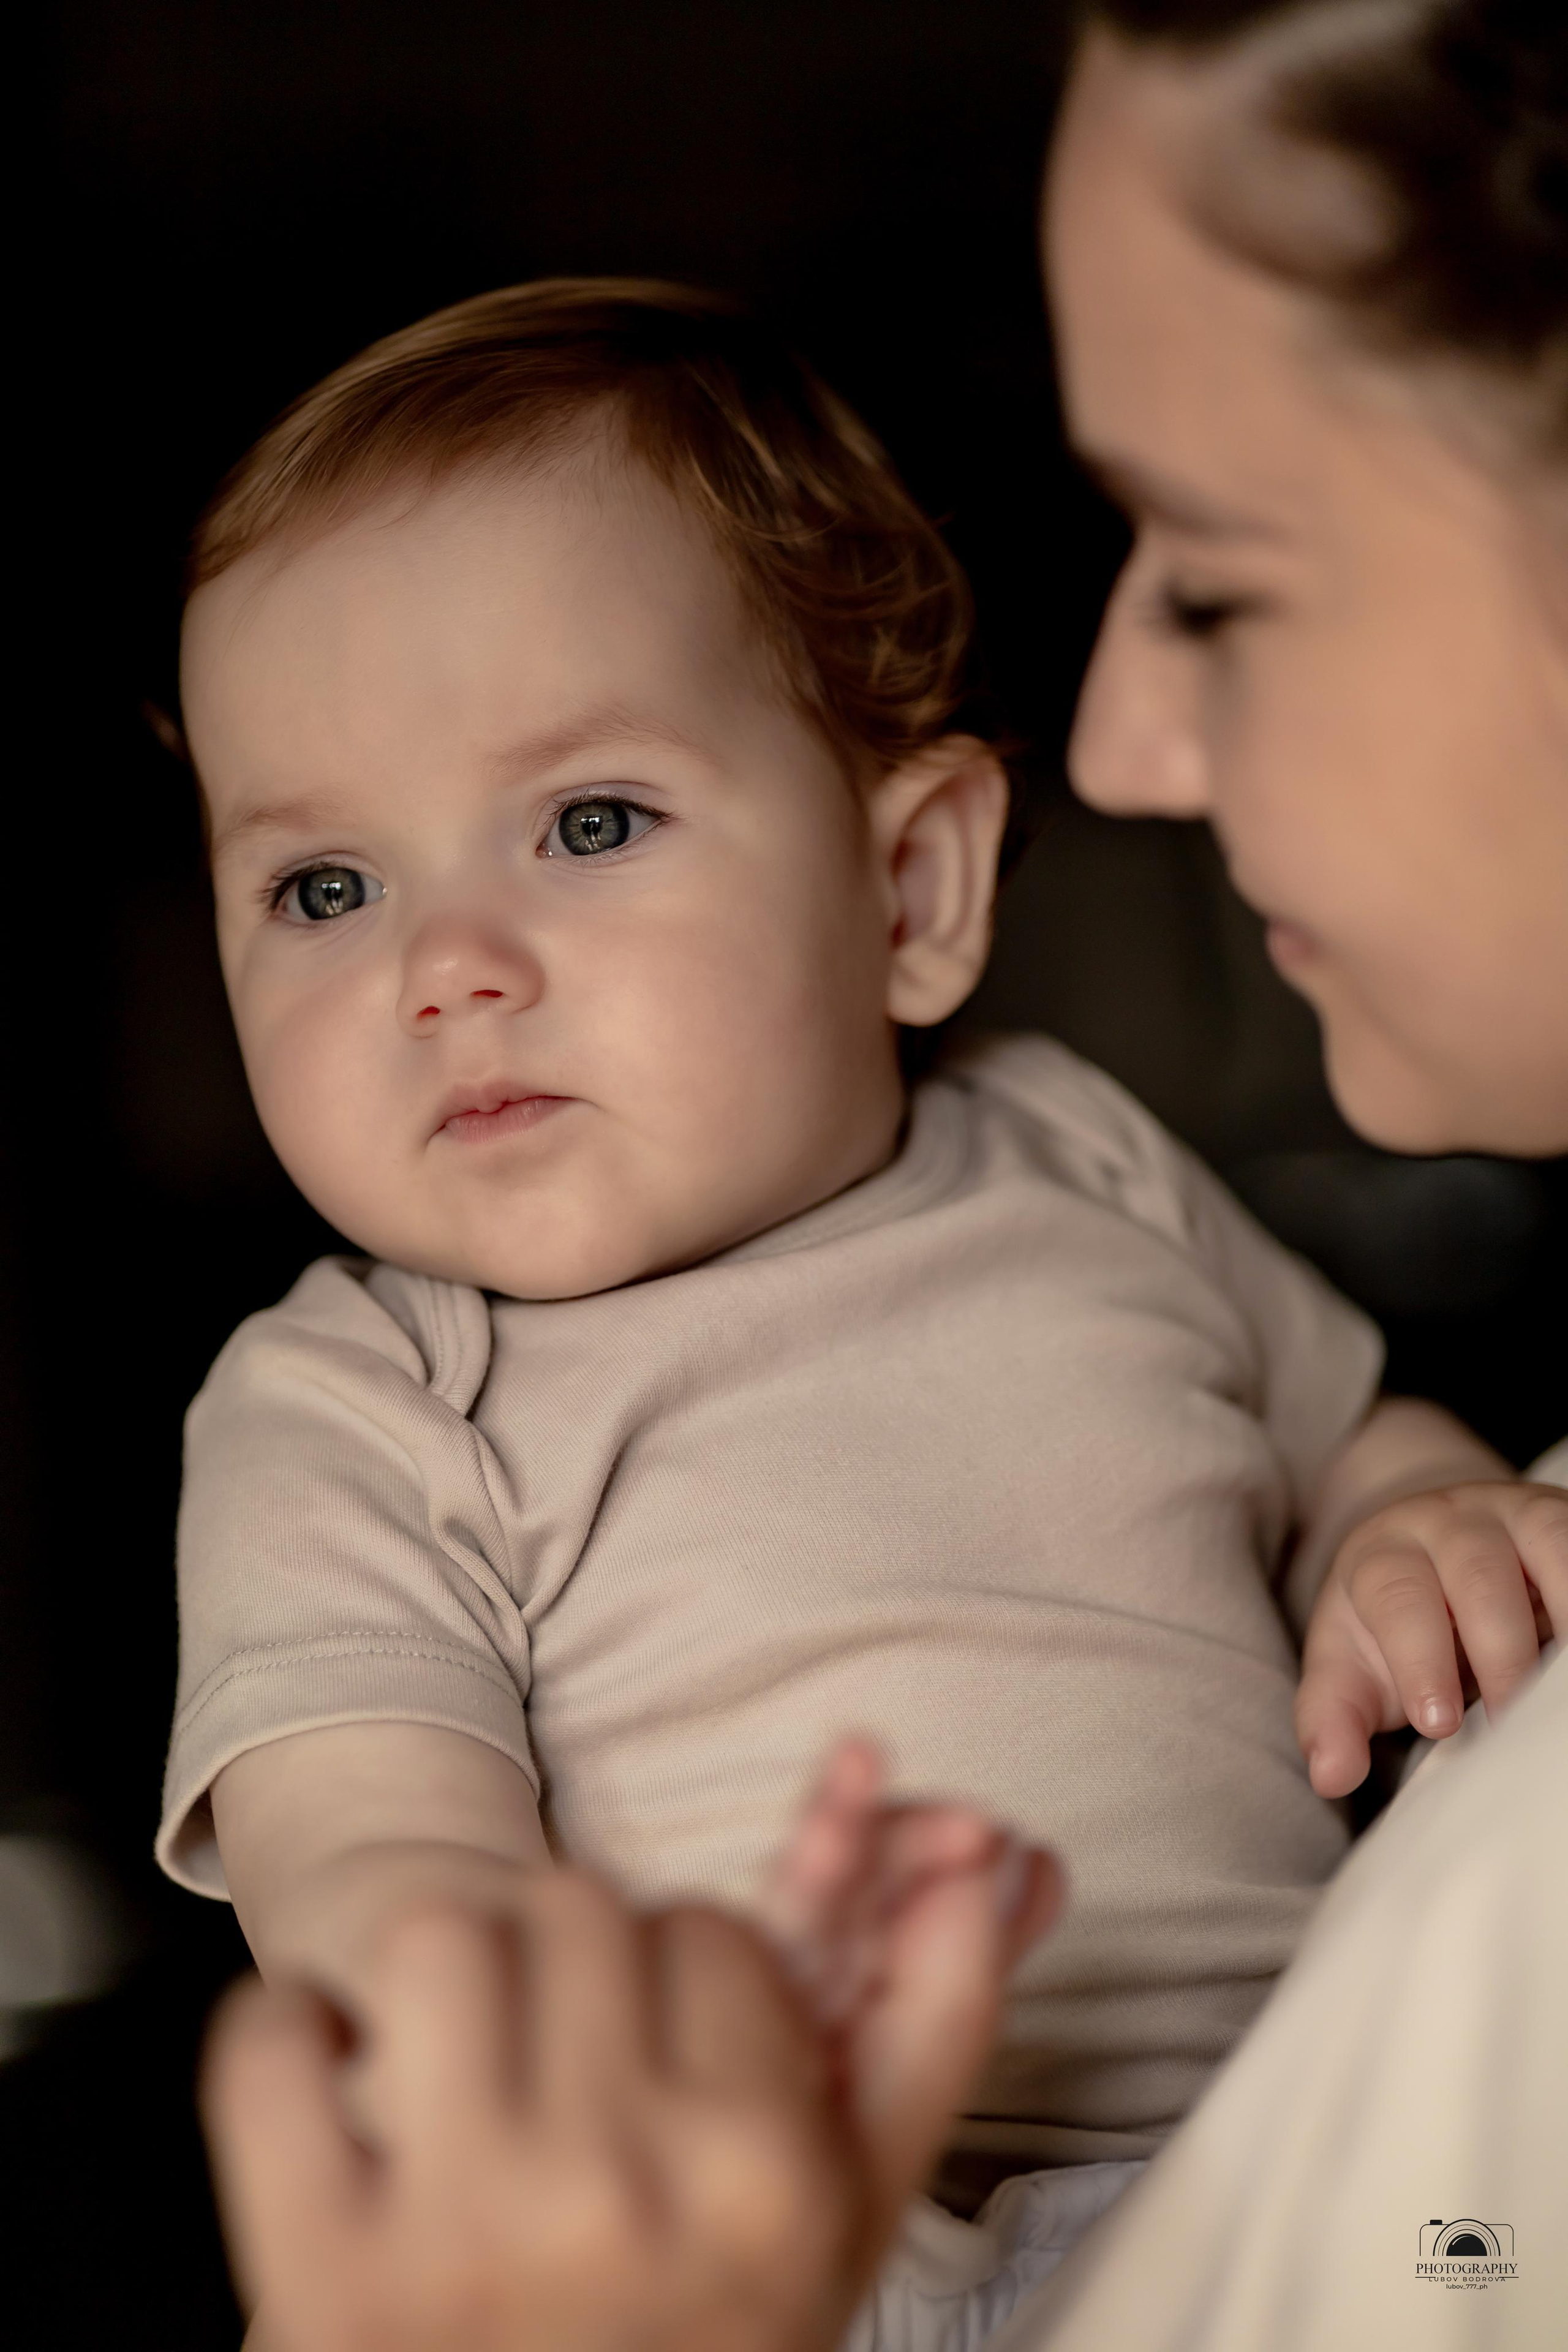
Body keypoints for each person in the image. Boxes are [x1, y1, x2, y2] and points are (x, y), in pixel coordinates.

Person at [202, 0, 1568, 2336]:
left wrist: (1420, 1526)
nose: (445, 968)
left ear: (917, 889)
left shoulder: (1076, 1162)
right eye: (325, 890)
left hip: (1283, 2141)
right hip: (816, 2230)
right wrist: (532, 2069)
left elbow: (1354, 1441)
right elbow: (377, 1860)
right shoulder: (361, 1403)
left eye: (593, 822)